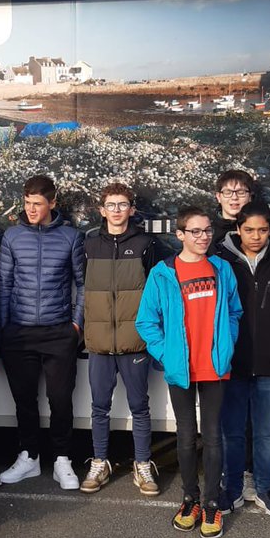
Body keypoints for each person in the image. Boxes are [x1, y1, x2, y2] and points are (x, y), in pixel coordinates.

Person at [136, 206, 242, 538]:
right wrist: (166, 354)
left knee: (212, 437)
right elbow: (146, 321)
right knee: (184, 436)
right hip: (180, 367)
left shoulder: (222, 269)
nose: (203, 237)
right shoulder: (162, 272)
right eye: (195, 231)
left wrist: (227, 346)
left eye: (207, 230)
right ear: (180, 234)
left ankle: (211, 502)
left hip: (214, 367)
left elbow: (235, 312)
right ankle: (189, 499)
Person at [0, 175, 86, 490]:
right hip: (19, 333)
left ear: (52, 203)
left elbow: (83, 284)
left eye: (37, 203)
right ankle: (29, 457)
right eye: (27, 203)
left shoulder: (71, 237)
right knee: (24, 399)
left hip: (58, 332)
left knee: (60, 399)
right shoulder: (11, 237)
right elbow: (4, 284)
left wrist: (76, 325)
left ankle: (62, 459)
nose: (31, 209)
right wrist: (4, 328)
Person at [80, 183, 165, 496]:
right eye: (111, 205)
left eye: (123, 204)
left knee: (139, 406)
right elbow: (81, 288)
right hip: (100, 343)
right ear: (102, 211)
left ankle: (142, 464)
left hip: (134, 342)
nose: (117, 210)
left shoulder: (146, 244)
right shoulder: (89, 245)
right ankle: (99, 462)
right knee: (99, 407)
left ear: (132, 209)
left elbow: (156, 292)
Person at [216, 200, 270, 517]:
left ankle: (264, 488)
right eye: (249, 230)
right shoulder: (222, 263)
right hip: (233, 362)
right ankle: (232, 489)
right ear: (238, 229)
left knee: (266, 433)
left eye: (262, 230)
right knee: (232, 432)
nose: (256, 236)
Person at [211, 169, 257, 247]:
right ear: (218, 197)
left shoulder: (261, 229)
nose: (234, 197)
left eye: (241, 192)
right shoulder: (206, 231)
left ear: (250, 197)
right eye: (227, 192)